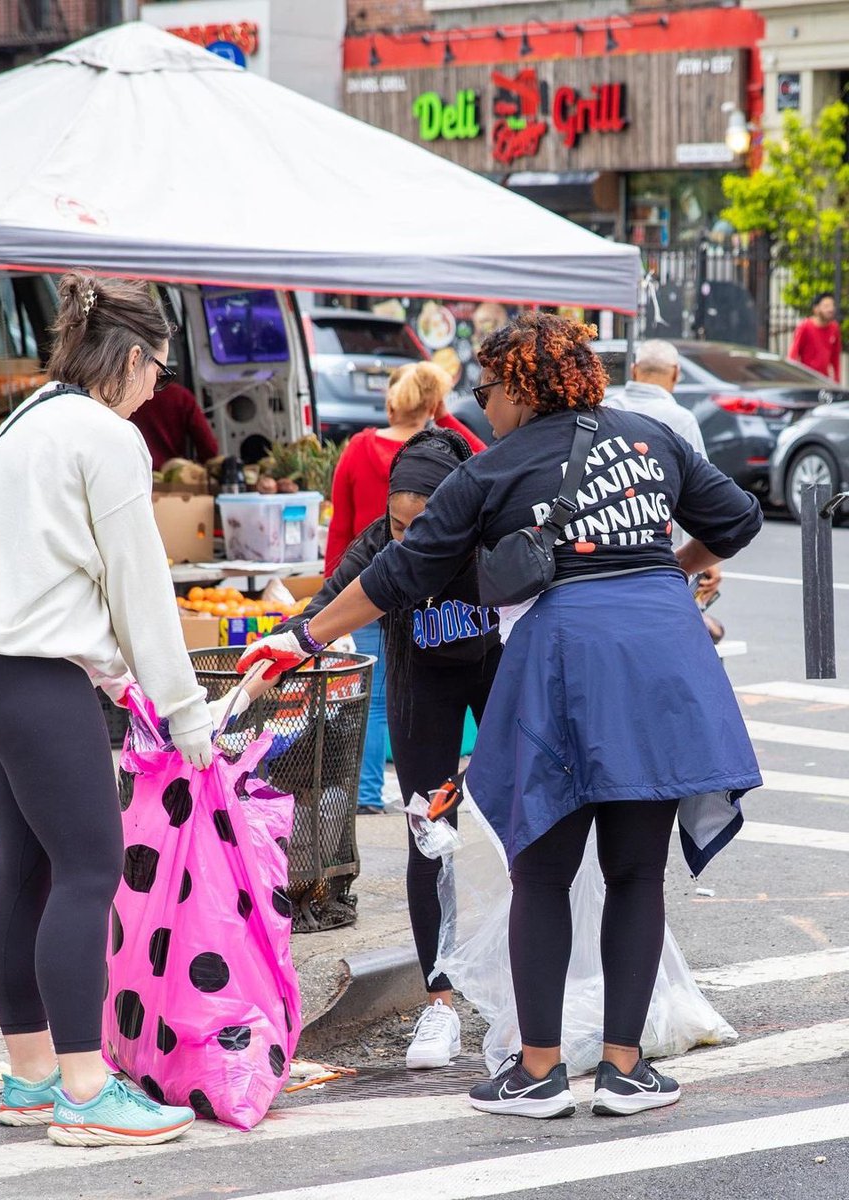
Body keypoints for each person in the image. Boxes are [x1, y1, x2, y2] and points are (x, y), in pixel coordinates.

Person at [239, 312, 763, 1120]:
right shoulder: (649, 436)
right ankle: (625, 1072)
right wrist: (666, 571)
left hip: (566, 665)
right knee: (634, 872)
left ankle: (539, 1072)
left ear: (521, 385)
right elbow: (737, 521)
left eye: (487, 391)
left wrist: (302, 637)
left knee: (543, 873)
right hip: (663, 660)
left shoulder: (493, 470)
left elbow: (401, 572)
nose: (484, 411)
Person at [0, 273, 231, 1148]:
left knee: (24, 870)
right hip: (35, 672)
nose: (160, 389)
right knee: (89, 871)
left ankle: (30, 1078)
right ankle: (85, 1088)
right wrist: (187, 716)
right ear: (133, 356)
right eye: (161, 370)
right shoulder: (107, 438)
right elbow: (139, 586)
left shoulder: (26, 419)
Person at [285, 428, 501, 1068]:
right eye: (397, 524)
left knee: (532, 826)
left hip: (498, 678)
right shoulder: (380, 546)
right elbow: (324, 608)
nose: (407, 540)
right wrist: (277, 646)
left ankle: (537, 985)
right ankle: (439, 1006)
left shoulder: (488, 540)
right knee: (427, 832)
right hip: (423, 691)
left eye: (422, 525)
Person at [325, 362, 485, 814]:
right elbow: (481, 463)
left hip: (368, 592)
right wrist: (445, 416)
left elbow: (340, 525)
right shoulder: (456, 452)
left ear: (391, 401)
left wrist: (332, 597)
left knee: (374, 701)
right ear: (433, 401)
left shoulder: (359, 448)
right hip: (426, 603)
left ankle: (367, 794)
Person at [605, 338, 722, 638]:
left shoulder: (606, 409)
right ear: (676, 374)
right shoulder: (681, 420)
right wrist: (707, 559)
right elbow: (703, 499)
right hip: (664, 559)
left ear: (633, 371)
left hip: (603, 556)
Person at [129, 377, 219, 468]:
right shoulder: (181, 396)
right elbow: (210, 449)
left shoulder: (126, 397)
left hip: (132, 472)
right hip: (172, 475)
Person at [788, 291, 842, 382]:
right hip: (806, 378)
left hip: (823, 379)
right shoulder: (804, 326)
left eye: (832, 305)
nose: (831, 309)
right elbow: (793, 354)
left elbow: (835, 356)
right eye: (826, 306)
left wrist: (836, 380)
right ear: (816, 309)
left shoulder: (834, 327)